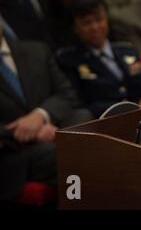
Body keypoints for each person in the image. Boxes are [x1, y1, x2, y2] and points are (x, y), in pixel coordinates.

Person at [0, 22, 92, 202]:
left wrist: (41, 115)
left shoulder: (36, 50)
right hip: (16, 152)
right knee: (71, 152)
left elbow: (68, 94)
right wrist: (30, 130)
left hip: (54, 129)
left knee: (84, 117)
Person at [56, 0, 141, 119]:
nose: (95, 27)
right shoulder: (70, 60)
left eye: (99, 19)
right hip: (104, 122)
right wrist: (128, 108)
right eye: (86, 23)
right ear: (75, 28)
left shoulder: (127, 51)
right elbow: (80, 102)